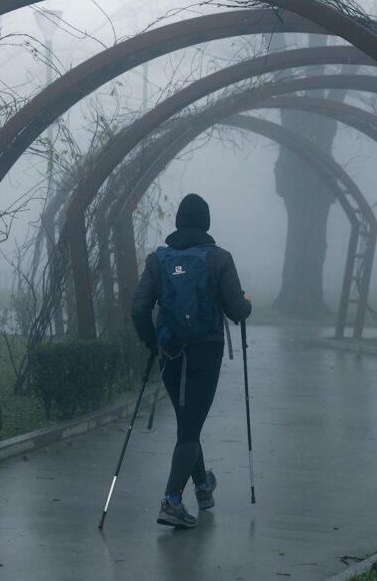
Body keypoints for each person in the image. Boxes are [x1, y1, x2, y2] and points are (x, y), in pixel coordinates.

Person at [130, 193, 252, 529]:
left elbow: (139, 308)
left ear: (179, 222)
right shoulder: (219, 258)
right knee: (189, 428)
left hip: (170, 353)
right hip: (205, 354)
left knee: (188, 424)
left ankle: (203, 487)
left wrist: (152, 342)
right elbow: (236, 310)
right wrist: (247, 304)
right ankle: (171, 502)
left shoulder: (159, 260)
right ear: (206, 222)